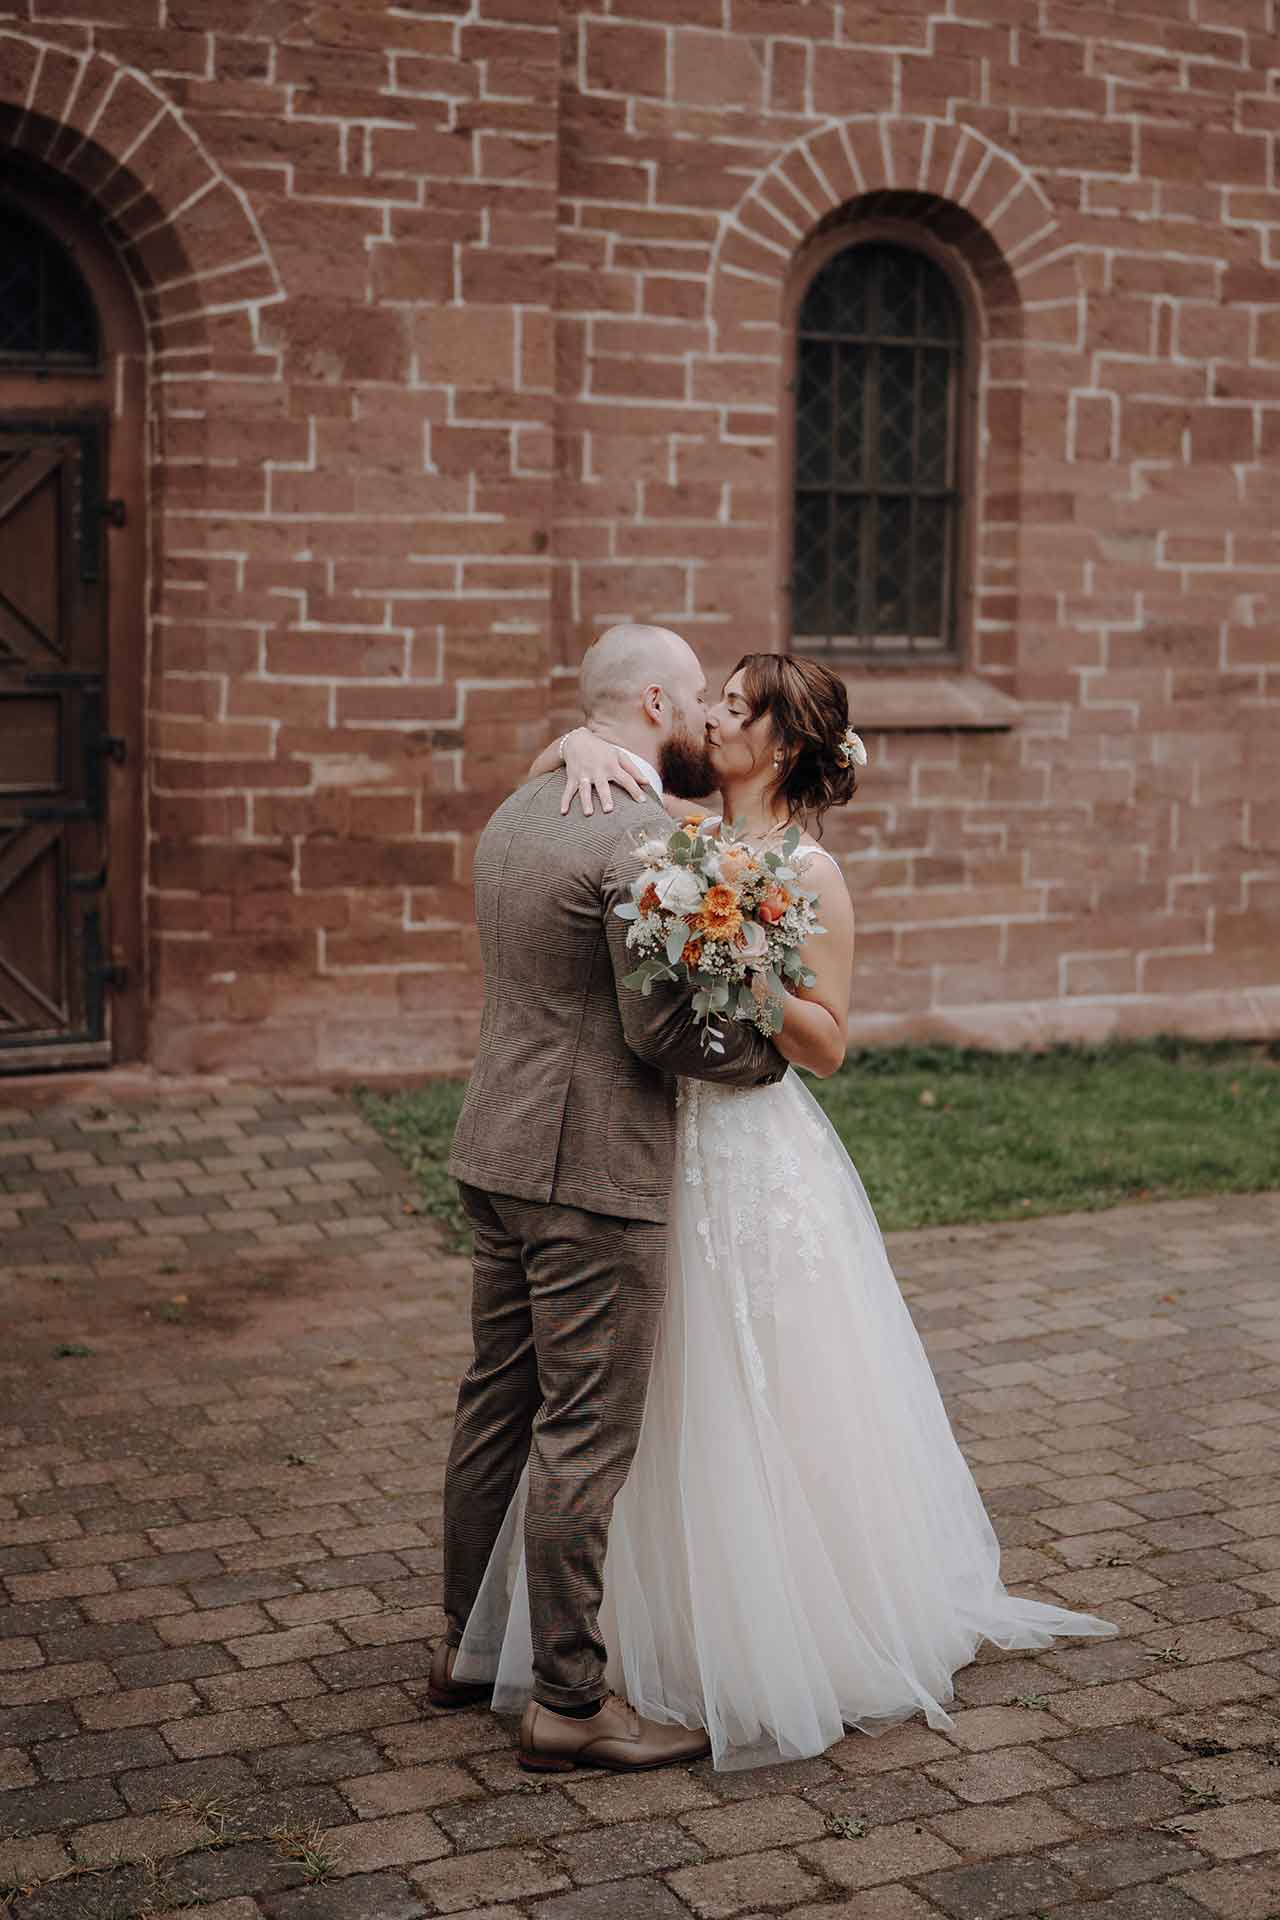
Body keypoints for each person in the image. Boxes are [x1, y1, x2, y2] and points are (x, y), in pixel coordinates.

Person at [450, 648, 1115, 1773]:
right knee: (640, 1404)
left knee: (759, 1387)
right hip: (650, 1147)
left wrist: (746, 964)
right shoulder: (671, 833)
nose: (710, 715)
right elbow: (588, 805)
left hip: (748, 1151)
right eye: (708, 699)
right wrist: (566, 740)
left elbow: (829, 1040)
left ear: (781, 743)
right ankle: (625, 1631)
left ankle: (773, 1623)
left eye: (733, 707)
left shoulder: (808, 873)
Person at [435, 624, 789, 1775]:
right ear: (651, 700)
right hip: (588, 1171)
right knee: (584, 1431)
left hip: (492, 1145)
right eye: (693, 701)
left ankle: (467, 1649)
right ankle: (571, 1702)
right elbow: (657, 1030)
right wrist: (760, 1057)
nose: (703, 720)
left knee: (495, 1398)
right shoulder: (637, 837)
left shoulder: (515, 811)